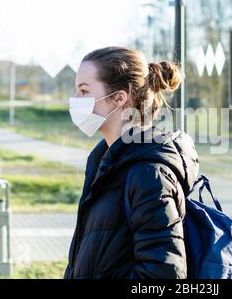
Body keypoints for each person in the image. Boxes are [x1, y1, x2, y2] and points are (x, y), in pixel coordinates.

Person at [64, 46, 199, 279]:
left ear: (119, 98)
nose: (75, 100)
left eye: (84, 91)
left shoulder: (149, 173)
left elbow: (163, 274)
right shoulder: (103, 161)